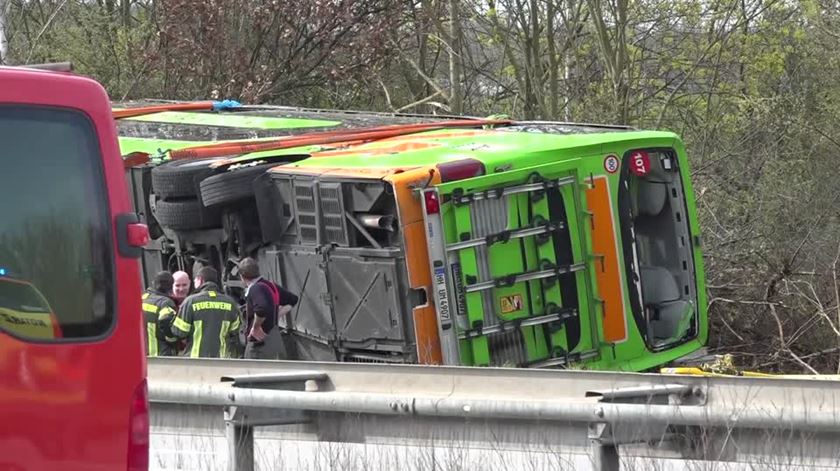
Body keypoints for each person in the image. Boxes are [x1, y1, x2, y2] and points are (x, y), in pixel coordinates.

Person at [170, 266, 241, 358]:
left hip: (196, 359)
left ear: (200, 280)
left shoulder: (191, 301)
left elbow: (180, 332)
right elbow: (234, 331)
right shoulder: (230, 303)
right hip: (222, 359)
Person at [238, 257, 298, 360]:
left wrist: (256, 327)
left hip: (260, 346)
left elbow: (261, 309)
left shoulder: (255, 289)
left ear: (242, 277)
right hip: (276, 342)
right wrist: (276, 315)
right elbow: (293, 300)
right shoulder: (271, 286)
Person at [141, 271, 179, 356]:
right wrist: (173, 341)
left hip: (143, 355)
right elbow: (165, 322)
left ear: (153, 283)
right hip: (160, 355)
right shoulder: (165, 302)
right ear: (170, 287)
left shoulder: (141, 299)